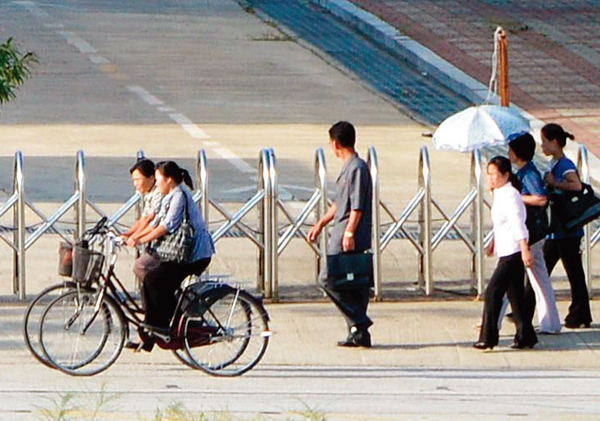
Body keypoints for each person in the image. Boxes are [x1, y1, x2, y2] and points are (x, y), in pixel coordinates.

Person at [128, 161, 215, 349]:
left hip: (194, 255)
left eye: (158, 179)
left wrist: (140, 240)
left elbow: (167, 226)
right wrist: (133, 236)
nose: (157, 184)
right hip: (180, 254)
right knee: (151, 281)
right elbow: (154, 222)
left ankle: (161, 326)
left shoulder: (179, 196)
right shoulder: (169, 196)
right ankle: (155, 328)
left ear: (169, 180)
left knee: (153, 280)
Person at [307, 121, 373, 348]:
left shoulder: (356, 169)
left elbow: (356, 206)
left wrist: (349, 231)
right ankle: (358, 333)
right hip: (342, 230)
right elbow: (339, 203)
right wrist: (321, 223)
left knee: (328, 279)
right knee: (352, 285)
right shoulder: (349, 169)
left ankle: (360, 321)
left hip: (347, 234)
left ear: (336, 143)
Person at [474, 156, 538, 350]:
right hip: (505, 249)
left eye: (495, 174)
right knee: (515, 296)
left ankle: (488, 337)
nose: (491, 178)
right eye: (489, 174)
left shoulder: (511, 195)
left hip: (513, 251)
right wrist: (493, 242)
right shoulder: (500, 194)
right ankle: (526, 335)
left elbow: (518, 224)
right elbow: (501, 224)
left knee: (493, 292)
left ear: (505, 175)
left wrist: (525, 248)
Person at [507, 132, 561, 334]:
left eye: (511, 149)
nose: (509, 153)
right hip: (534, 233)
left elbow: (540, 198)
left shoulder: (528, 174)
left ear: (518, 153)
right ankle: (551, 323)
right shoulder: (524, 172)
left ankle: (491, 321)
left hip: (531, 232)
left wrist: (516, 198)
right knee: (540, 279)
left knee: (508, 277)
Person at [541, 123, 592, 329]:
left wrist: (554, 183)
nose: (542, 145)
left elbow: (576, 185)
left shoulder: (565, 164)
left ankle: (579, 313)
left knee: (569, 271)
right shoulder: (555, 163)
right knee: (544, 268)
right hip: (558, 229)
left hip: (566, 229)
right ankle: (580, 313)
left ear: (554, 143)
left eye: (545, 141)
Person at [122, 158, 163, 243]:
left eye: (138, 179)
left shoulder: (159, 192)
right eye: (134, 180)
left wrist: (134, 237)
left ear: (152, 178)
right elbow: (143, 219)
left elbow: (150, 220)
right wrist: (127, 234)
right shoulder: (148, 193)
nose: (135, 184)